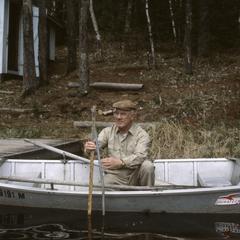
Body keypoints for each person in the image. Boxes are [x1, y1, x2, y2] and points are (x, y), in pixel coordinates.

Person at [84, 100, 155, 187]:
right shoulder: (107, 132)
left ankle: (147, 196)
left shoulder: (142, 135)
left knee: (148, 166)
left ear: (132, 116)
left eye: (123, 114)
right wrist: (90, 148)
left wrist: (121, 162)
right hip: (115, 176)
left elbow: (140, 156)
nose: (118, 117)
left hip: (136, 175)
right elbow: (96, 147)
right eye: (116, 113)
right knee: (99, 190)